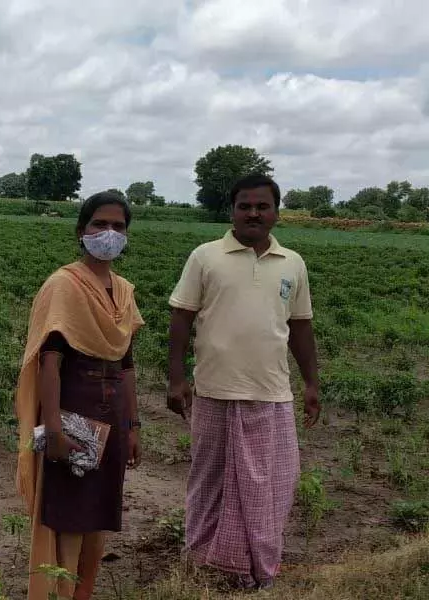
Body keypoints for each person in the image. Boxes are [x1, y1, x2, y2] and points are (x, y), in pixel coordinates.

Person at [167, 173, 321, 591]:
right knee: (210, 481)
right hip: (215, 390)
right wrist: (176, 379)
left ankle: (255, 563)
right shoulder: (205, 257)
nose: (254, 213)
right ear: (231, 210)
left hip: (272, 393)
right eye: (245, 206)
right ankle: (203, 560)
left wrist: (311, 383)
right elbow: (181, 318)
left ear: (276, 211)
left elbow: (301, 326)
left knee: (274, 482)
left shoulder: (292, 263)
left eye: (262, 206)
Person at [15, 191, 145, 600]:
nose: (109, 234)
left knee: (98, 514)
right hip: (75, 410)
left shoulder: (123, 292)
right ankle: (57, 593)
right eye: (99, 225)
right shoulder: (64, 285)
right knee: (70, 512)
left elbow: (126, 365)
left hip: (113, 411)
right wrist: (52, 427)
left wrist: (133, 426)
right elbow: (49, 361)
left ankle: (81, 594)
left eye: (118, 227)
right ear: (81, 231)